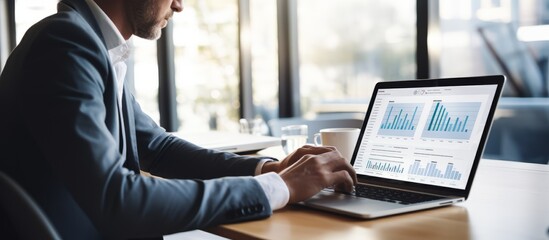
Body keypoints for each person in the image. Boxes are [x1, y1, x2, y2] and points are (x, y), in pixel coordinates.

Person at [0, 0, 357, 239]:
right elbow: (117, 198)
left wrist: (267, 171)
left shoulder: (86, 42)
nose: (180, 5)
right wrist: (282, 188)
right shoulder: (66, 44)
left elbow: (157, 147)